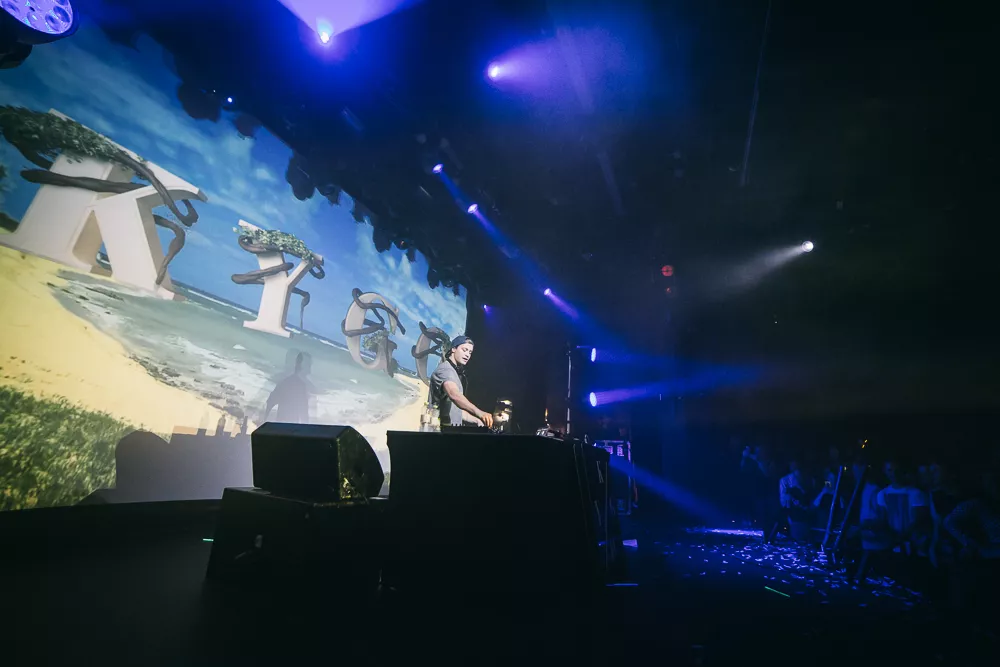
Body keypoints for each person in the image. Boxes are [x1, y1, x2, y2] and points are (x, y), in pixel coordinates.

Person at [429, 336, 494, 429]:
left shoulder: (453, 372)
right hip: (438, 431)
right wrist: (479, 413)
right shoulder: (445, 370)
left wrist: (477, 420)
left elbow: (456, 410)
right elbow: (454, 394)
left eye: (470, 352)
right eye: (464, 350)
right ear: (453, 349)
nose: (467, 355)